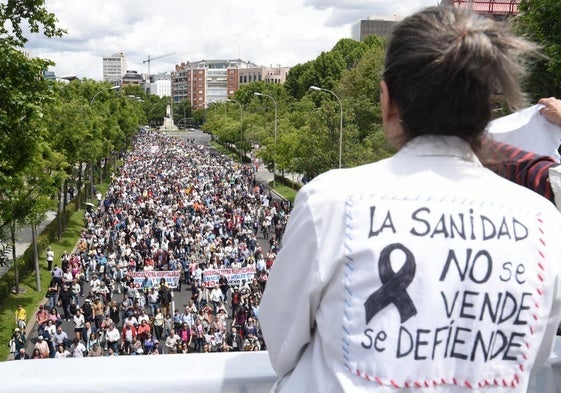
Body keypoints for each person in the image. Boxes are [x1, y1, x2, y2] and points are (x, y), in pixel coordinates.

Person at [260, 6, 561, 393]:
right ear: (487, 106)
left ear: (388, 101)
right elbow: (528, 360)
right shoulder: (544, 222)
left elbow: (281, 346)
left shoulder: (330, 201)